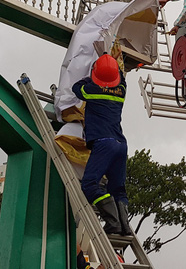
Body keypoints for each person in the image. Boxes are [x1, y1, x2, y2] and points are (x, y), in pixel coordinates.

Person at [72, 52, 131, 236]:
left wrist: (91, 73)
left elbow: (76, 87)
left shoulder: (90, 90)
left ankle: (113, 222)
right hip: (121, 144)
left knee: (89, 184)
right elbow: (120, 77)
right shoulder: (121, 90)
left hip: (104, 142)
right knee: (118, 189)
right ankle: (125, 227)